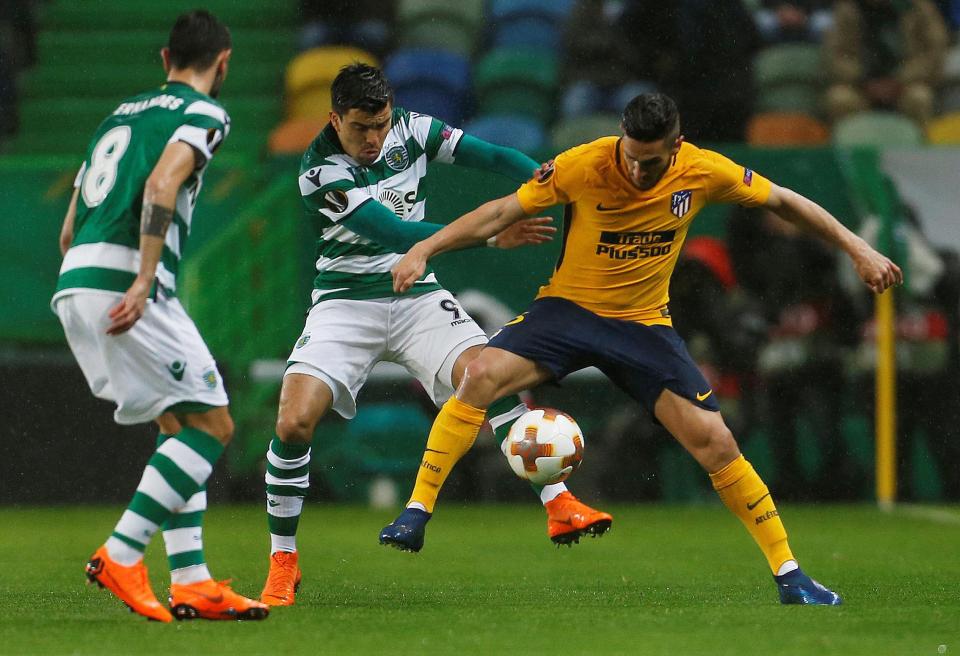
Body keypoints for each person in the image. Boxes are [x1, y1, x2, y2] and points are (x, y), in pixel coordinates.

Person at [387, 92, 903, 605]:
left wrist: (859, 248)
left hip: (643, 326)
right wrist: (425, 247)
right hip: (568, 312)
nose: (635, 170)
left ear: (676, 146)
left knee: (715, 442)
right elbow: (500, 211)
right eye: (630, 157)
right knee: (479, 376)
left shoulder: (702, 170)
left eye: (649, 162)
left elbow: (784, 201)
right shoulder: (585, 163)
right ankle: (417, 511)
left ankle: (790, 575)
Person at [259, 63, 612, 607]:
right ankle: (283, 558)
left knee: (486, 374)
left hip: (417, 297)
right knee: (293, 421)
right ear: (334, 119)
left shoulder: (410, 127)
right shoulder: (320, 171)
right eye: (360, 129)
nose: (373, 139)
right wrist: (493, 236)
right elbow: (395, 232)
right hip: (345, 304)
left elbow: (490, 156)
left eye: (380, 125)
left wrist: (547, 181)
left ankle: (559, 502)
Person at [52, 11, 268, 622]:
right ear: (222, 62)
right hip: (128, 283)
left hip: (77, 282)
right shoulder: (203, 114)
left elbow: (70, 228)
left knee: (178, 423)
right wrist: (145, 278)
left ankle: (193, 580)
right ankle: (121, 554)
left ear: (163, 57)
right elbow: (161, 186)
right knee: (213, 426)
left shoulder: (117, 116)